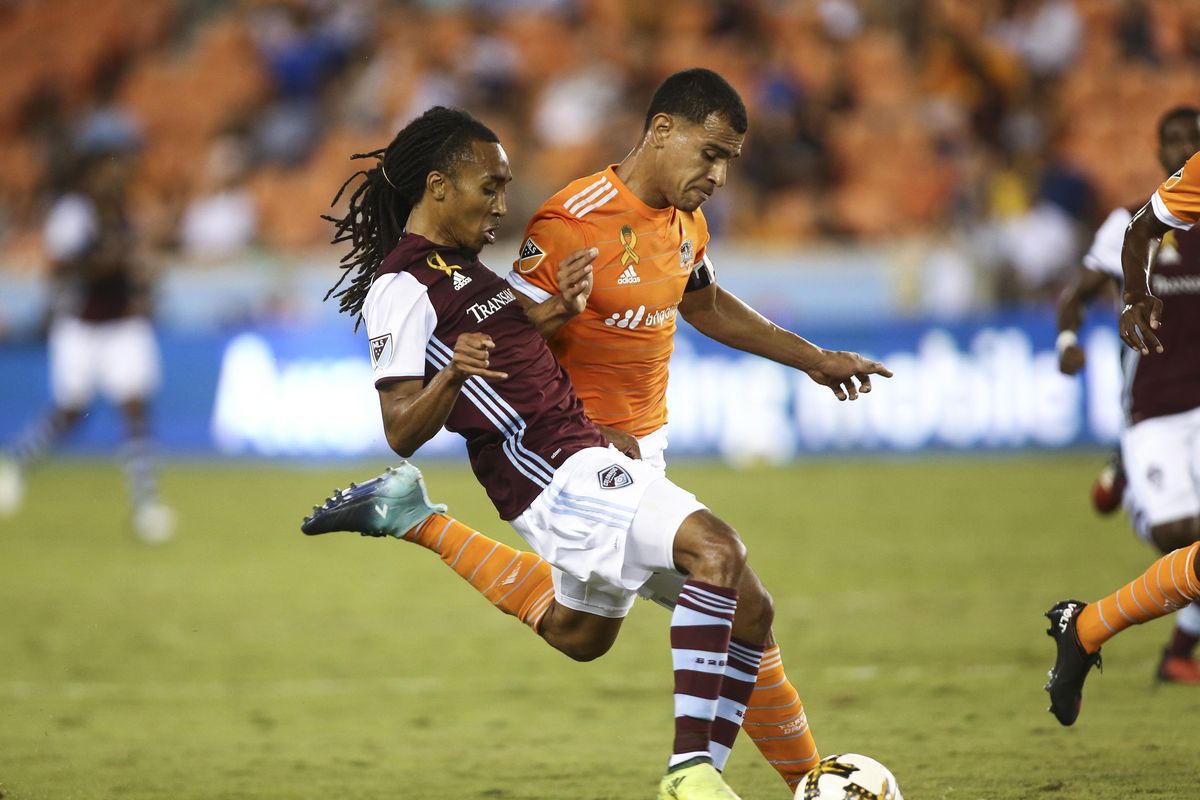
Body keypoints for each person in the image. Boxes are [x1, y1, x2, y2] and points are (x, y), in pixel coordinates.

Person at [305, 105, 791, 799]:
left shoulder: (463, 268)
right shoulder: (400, 286)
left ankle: (416, 520)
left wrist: (557, 310)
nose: (503, 204)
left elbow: (508, 338)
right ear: (439, 187)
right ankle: (693, 775)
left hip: (574, 458)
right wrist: (452, 375)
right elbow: (400, 428)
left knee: (583, 634)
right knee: (717, 550)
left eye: (506, 188)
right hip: (557, 473)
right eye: (489, 188)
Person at [505, 67, 892, 792]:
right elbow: (507, 344)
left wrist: (812, 359)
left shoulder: (686, 224)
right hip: (578, 459)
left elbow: (706, 305)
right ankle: (718, 776)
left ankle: (417, 522)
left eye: (728, 162)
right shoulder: (567, 222)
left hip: (642, 454)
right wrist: (582, 427)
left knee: (582, 634)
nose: (717, 174)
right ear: (661, 131)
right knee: (736, 584)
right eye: (710, 153)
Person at [1054, 106, 1200, 683]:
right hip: (1153, 407)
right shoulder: (1130, 220)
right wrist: (1069, 338)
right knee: (1175, 534)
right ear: (1158, 149)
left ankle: (1178, 653)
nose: (1184, 147)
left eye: (1194, 138)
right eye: (1175, 140)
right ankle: (1133, 482)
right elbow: (1076, 295)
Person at [0, 121, 174, 543]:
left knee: (135, 409)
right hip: (82, 323)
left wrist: (141, 276)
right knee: (71, 410)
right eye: (111, 165)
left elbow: (137, 266)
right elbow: (60, 268)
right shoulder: (74, 213)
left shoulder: (128, 212)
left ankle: (145, 503)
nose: (120, 172)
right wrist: (108, 261)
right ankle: (18, 463)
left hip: (124, 322)